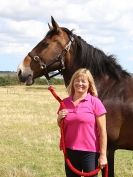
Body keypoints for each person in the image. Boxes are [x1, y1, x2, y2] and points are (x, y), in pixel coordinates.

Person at [57, 68, 107, 177]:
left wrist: (103, 155)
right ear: (73, 82)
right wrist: (59, 119)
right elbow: (62, 125)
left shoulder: (95, 103)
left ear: (89, 84)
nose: (80, 83)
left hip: (90, 152)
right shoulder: (64, 103)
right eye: (77, 80)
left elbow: (103, 131)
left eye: (84, 81)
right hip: (70, 151)